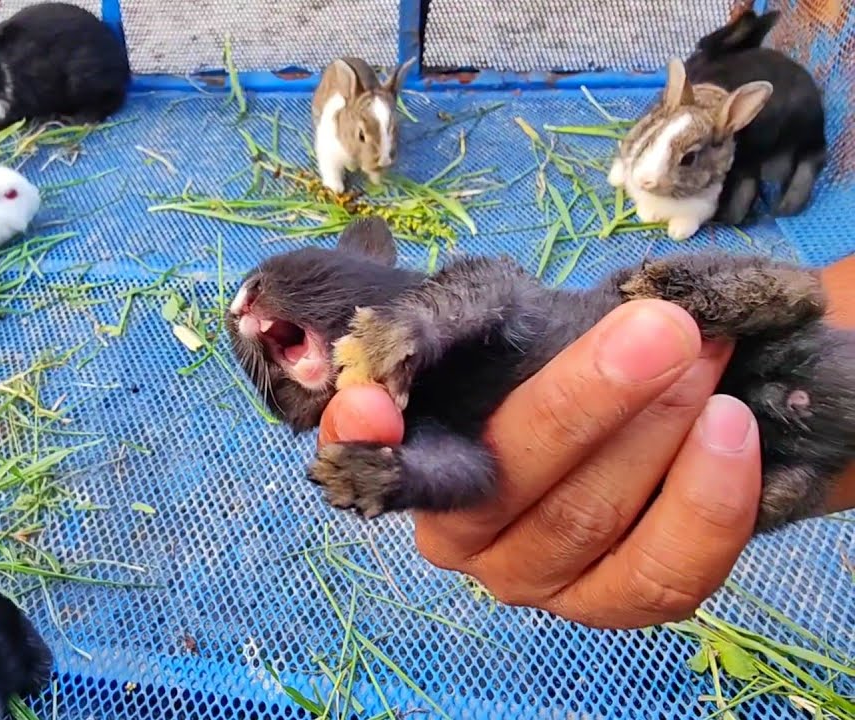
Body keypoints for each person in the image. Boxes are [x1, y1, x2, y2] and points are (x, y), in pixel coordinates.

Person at [317, 254, 855, 629]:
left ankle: (770, 299)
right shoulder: (416, 422)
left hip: (743, 343)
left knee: (659, 296)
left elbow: (496, 287)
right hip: (767, 450)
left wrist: (414, 326)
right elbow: (471, 471)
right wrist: (397, 476)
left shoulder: (457, 305)